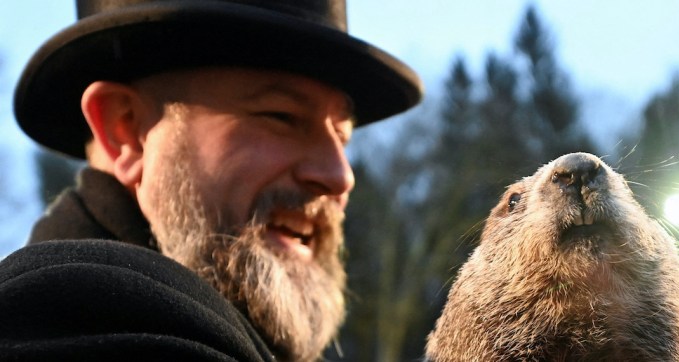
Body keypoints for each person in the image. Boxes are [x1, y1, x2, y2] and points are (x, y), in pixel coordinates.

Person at [0, 1, 422, 361]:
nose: (339, 176)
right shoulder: (65, 316)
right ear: (125, 131)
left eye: (343, 136)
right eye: (281, 117)